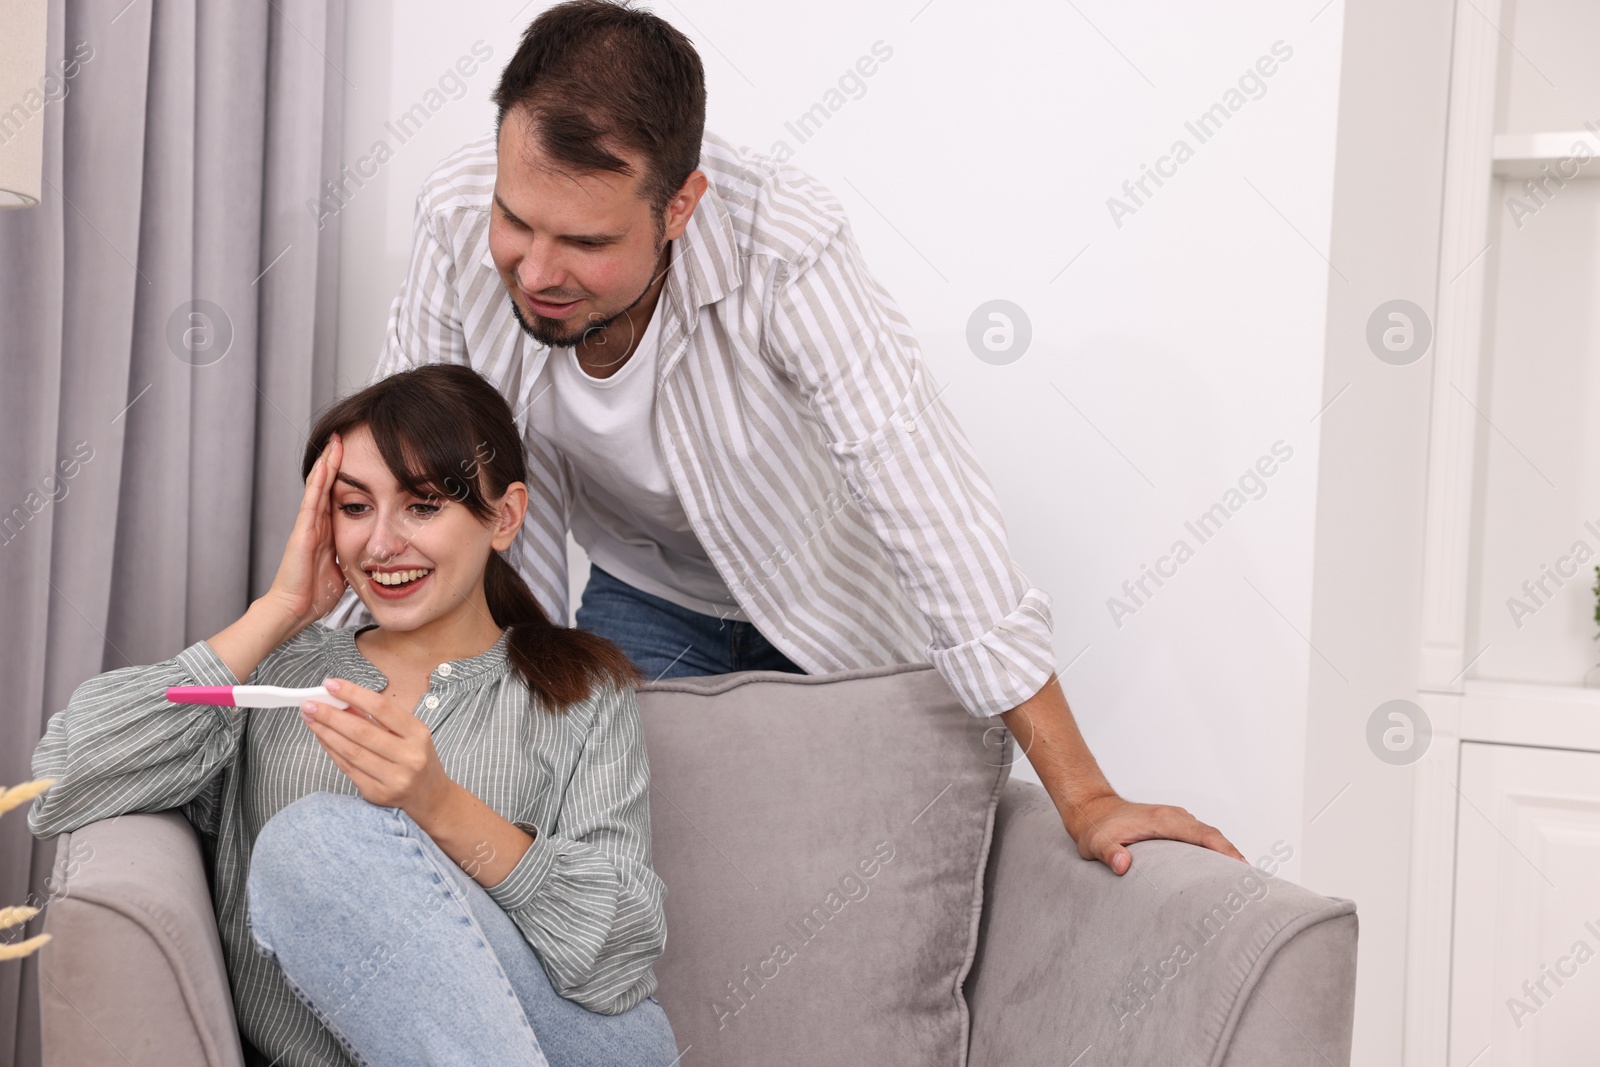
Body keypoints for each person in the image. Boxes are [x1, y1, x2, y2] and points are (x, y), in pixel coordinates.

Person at [326, 0, 1243, 875]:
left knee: (842, 868)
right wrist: (311, 687)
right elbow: (394, 482)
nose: (535, 270)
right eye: (517, 221)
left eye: (586, 241)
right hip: (643, 592)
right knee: (619, 848)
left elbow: (928, 502)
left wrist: (1085, 797)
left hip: (824, 605)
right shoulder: (453, 220)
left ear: (680, 206)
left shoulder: (787, 249)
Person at [28, 364, 680, 1067]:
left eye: (423, 504)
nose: (379, 544)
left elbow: (618, 957)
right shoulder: (280, 672)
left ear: (506, 516)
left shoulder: (583, 691)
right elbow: (67, 773)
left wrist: (441, 805)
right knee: (309, 846)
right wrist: (277, 611)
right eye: (355, 507)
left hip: (586, 1047)